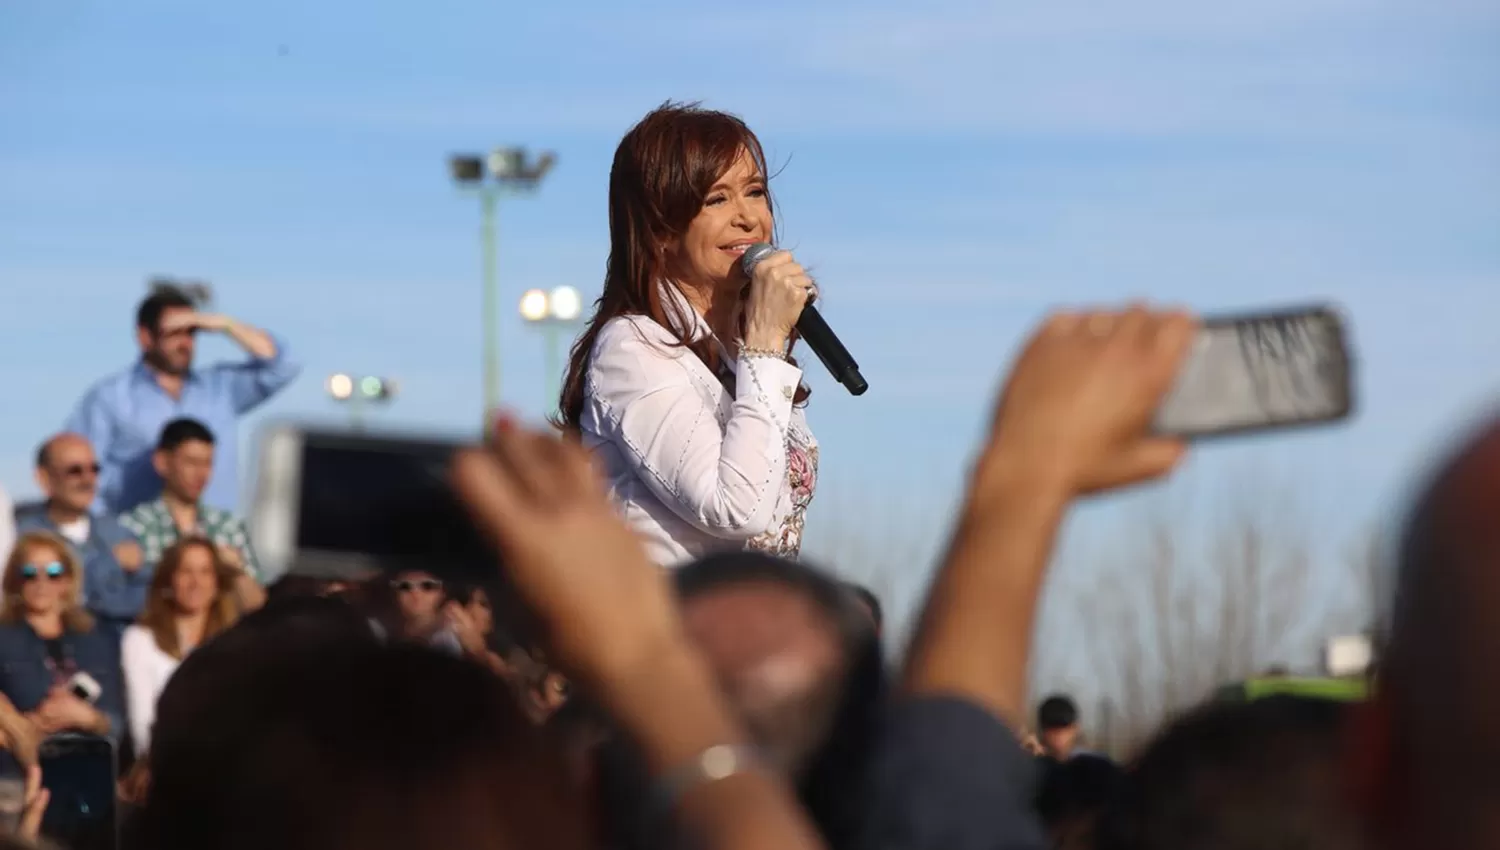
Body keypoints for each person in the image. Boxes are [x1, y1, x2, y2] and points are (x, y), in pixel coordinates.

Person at [556, 103, 820, 567]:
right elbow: (737, 508)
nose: (747, 218)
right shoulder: (633, 348)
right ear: (661, 230)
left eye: (755, 192)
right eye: (717, 199)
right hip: (663, 630)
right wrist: (764, 344)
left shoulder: (740, 356)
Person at [64, 287, 300, 516]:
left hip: (212, 541)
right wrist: (106, 536)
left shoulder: (220, 388)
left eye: (192, 332)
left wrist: (225, 325)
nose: (185, 343)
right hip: (138, 540)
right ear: (145, 337)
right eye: (175, 333)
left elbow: (283, 366)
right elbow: (74, 468)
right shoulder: (110, 397)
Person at [118, 418, 266, 612]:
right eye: (191, 462)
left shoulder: (228, 527)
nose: (201, 474)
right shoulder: (133, 527)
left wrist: (235, 573)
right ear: (162, 462)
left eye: (207, 463)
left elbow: (258, 608)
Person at [13, 434, 149, 639]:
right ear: (44, 478)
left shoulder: (117, 532)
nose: (87, 479)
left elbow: (147, 595)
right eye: (74, 471)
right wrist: (109, 565)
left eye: (94, 469)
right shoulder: (22, 536)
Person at [0, 531, 125, 744]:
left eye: (53, 572)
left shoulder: (99, 640)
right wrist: (24, 728)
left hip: (88, 762)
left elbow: (119, 724)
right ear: (16, 579)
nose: (41, 581)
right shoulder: (3, 638)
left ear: (67, 580)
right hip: (17, 767)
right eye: (30, 572)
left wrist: (88, 718)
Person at [121, 538, 240, 755]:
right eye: (186, 571)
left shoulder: (235, 641)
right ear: (169, 580)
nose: (196, 582)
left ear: (217, 583)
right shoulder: (140, 639)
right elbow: (143, 725)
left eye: (206, 572)